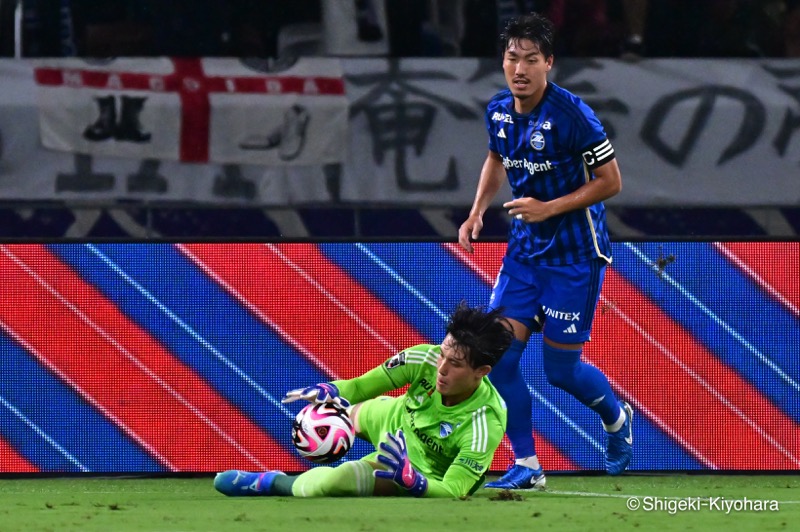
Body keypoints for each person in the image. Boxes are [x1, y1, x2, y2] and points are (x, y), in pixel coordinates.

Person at [457, 12, 633, 490]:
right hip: (524, 257)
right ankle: (529, 466)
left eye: (531, 59)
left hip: (574, 257)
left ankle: (617, 420)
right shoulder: (497, 110)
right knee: (498, 358)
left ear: (548, 63)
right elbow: (496, 157)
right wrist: (476, 212)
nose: (520, 68)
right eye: (512, 57)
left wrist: (548, 208)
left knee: (560, 370)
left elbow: (611, 182)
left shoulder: (573, 115)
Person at [214, 301, 514, 498]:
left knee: (332, 483)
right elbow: (360, 386)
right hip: (390, 417)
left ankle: (270, 483)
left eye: (456, 364)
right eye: (443, 353)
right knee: (336, 414)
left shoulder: (486, 420)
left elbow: (453, 489)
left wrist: (415, 481)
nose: (442, 368)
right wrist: (331, 391)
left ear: (481, 371)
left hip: (413, 467)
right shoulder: (424, 356)